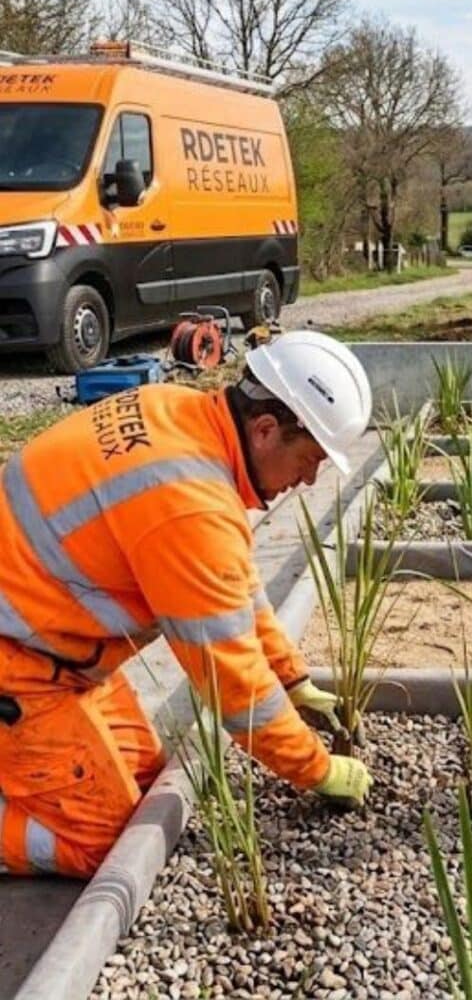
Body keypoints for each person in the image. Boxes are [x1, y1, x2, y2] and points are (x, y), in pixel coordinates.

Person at [0, 331, 373, 878]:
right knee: (104, 846)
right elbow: (235, 687)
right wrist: (317, 770)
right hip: (22, 666)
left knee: (149, 784)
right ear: (266, 430)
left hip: (55, 648)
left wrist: (294, 680)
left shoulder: (177, 410)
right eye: (310, 458)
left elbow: (233, 585)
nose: (308, 480)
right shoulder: (189, 507)